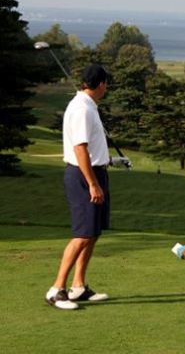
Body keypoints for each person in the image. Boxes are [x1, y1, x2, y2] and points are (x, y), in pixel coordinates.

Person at [45, 64, 112, 310]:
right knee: (83, 234)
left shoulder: (87, 106)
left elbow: (90, 147)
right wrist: (93, 184)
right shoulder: (82, 109)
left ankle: (78, 287)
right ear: (102, 84)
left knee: (92, 233)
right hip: (84, 177)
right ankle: (56, 289)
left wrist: (110, 161)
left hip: (94, 173)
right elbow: (80, 148)